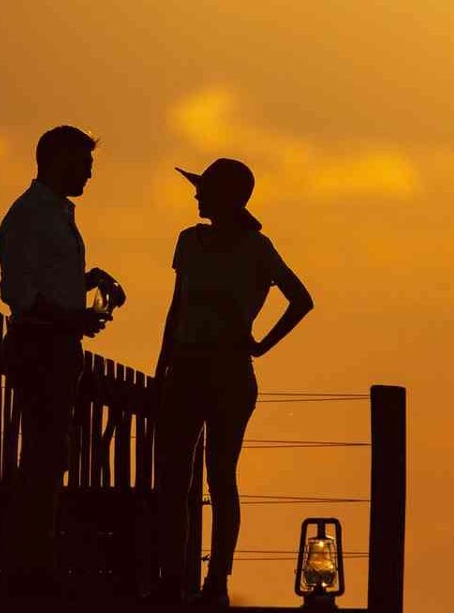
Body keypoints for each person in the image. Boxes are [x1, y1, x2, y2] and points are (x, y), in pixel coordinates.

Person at [147, 157, 314, 605]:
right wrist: (161, 366)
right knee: (171, 479)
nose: (196, 196)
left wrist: (260, 345)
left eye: (203, 189)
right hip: (185, 369)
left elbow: (302, 299)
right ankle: (170, 580)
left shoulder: (257, 248)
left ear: (225, 197)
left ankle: (215, 583)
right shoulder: (189, 241)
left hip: (229, 374)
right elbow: (176, 308)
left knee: (220, 477)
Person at [0, 124, 126, 597]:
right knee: (42, 459)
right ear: (57, 161)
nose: (90, 174)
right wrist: (73, 320)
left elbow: (45, 279)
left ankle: (35, 564)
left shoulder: (54, 214)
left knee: (50, 458)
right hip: (40, 347)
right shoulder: (30, 215)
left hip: (57, 346)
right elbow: (20, 294)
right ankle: (29, 571)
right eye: (84, 165)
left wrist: (91, 278)